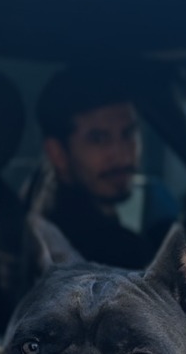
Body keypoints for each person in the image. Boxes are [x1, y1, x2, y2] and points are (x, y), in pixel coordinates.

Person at [33, 64, 154, 269]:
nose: (123, 155)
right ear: (58, 153)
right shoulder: (111, 256)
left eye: (128, 134)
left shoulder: (38, 203)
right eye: (98, 139)